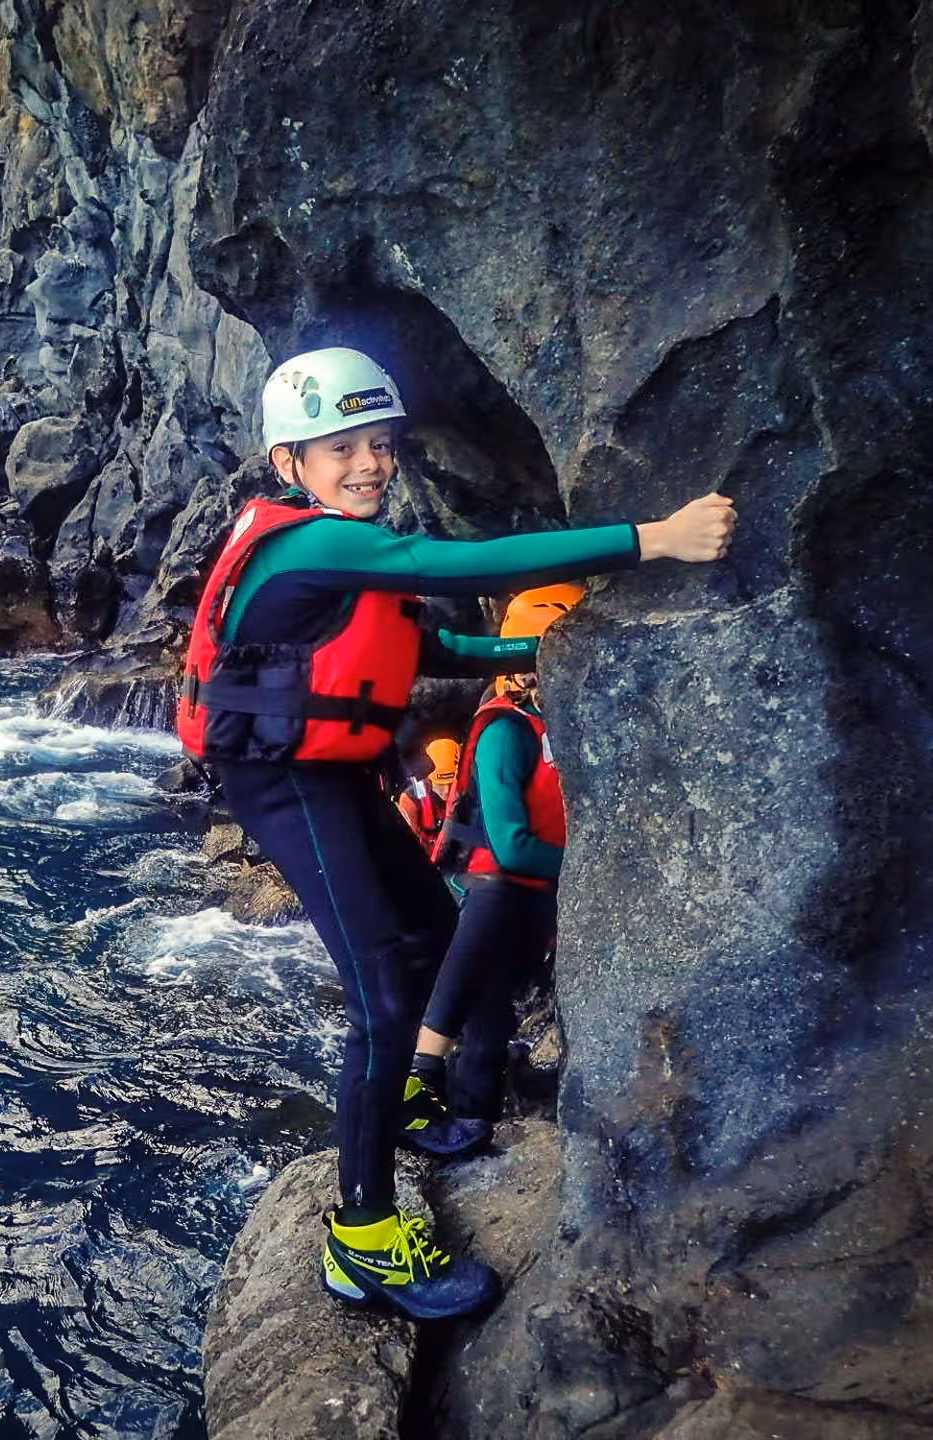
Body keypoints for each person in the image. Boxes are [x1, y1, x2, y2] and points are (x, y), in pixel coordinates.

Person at [176, 347, 735, 1322]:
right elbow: (458, 565)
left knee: (432, 934)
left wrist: (541, 646)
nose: (368, 465)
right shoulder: (313, 547)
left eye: (382, 445)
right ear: (288, 464)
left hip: (334, 775)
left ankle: (400, 1105)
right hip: (285, 784)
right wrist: (655, 539)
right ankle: (364, 1240)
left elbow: (429, 645)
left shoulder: (332, 548)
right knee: (385, 999)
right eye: (339, 447)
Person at [406, 585, 579, 1161]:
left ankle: (472, 1120)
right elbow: (509, 847)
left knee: (494, 1012)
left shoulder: (553, 728)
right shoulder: (506, 732)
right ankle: (421, 1076)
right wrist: (584, 869)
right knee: (476, 994)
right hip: (491, 888)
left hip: (527, 893)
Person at [397, 737, 460, 852]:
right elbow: (405, 849)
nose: (446, 791)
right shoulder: (410, 801)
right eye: (440, 785)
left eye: (451, 784)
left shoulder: (469, 790)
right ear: (428, 778)